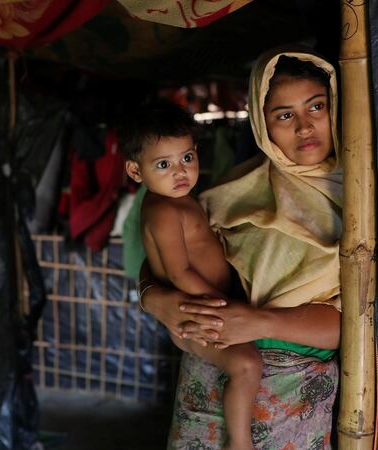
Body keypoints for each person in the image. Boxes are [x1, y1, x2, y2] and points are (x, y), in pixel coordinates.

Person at [137, 47, 344, 450]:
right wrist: (154, 299)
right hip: (213, 370)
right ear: (262, 124)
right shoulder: (233, 192)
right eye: (284, 115)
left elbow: (362, 321)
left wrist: (260, 322)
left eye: (316, 106)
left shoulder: (363, 198)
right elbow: (165, 257)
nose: (305, 127)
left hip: (298, 388)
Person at [119, 101, 262, 450]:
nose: (179, 171)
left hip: (205, 306)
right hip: (197, 312)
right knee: (246, 365)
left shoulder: (180, 198)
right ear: (135, 171)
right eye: (163, 164)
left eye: (186, 158)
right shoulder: (164, 210)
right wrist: (224, 306)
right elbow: (179, 272)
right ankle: (240, 442)